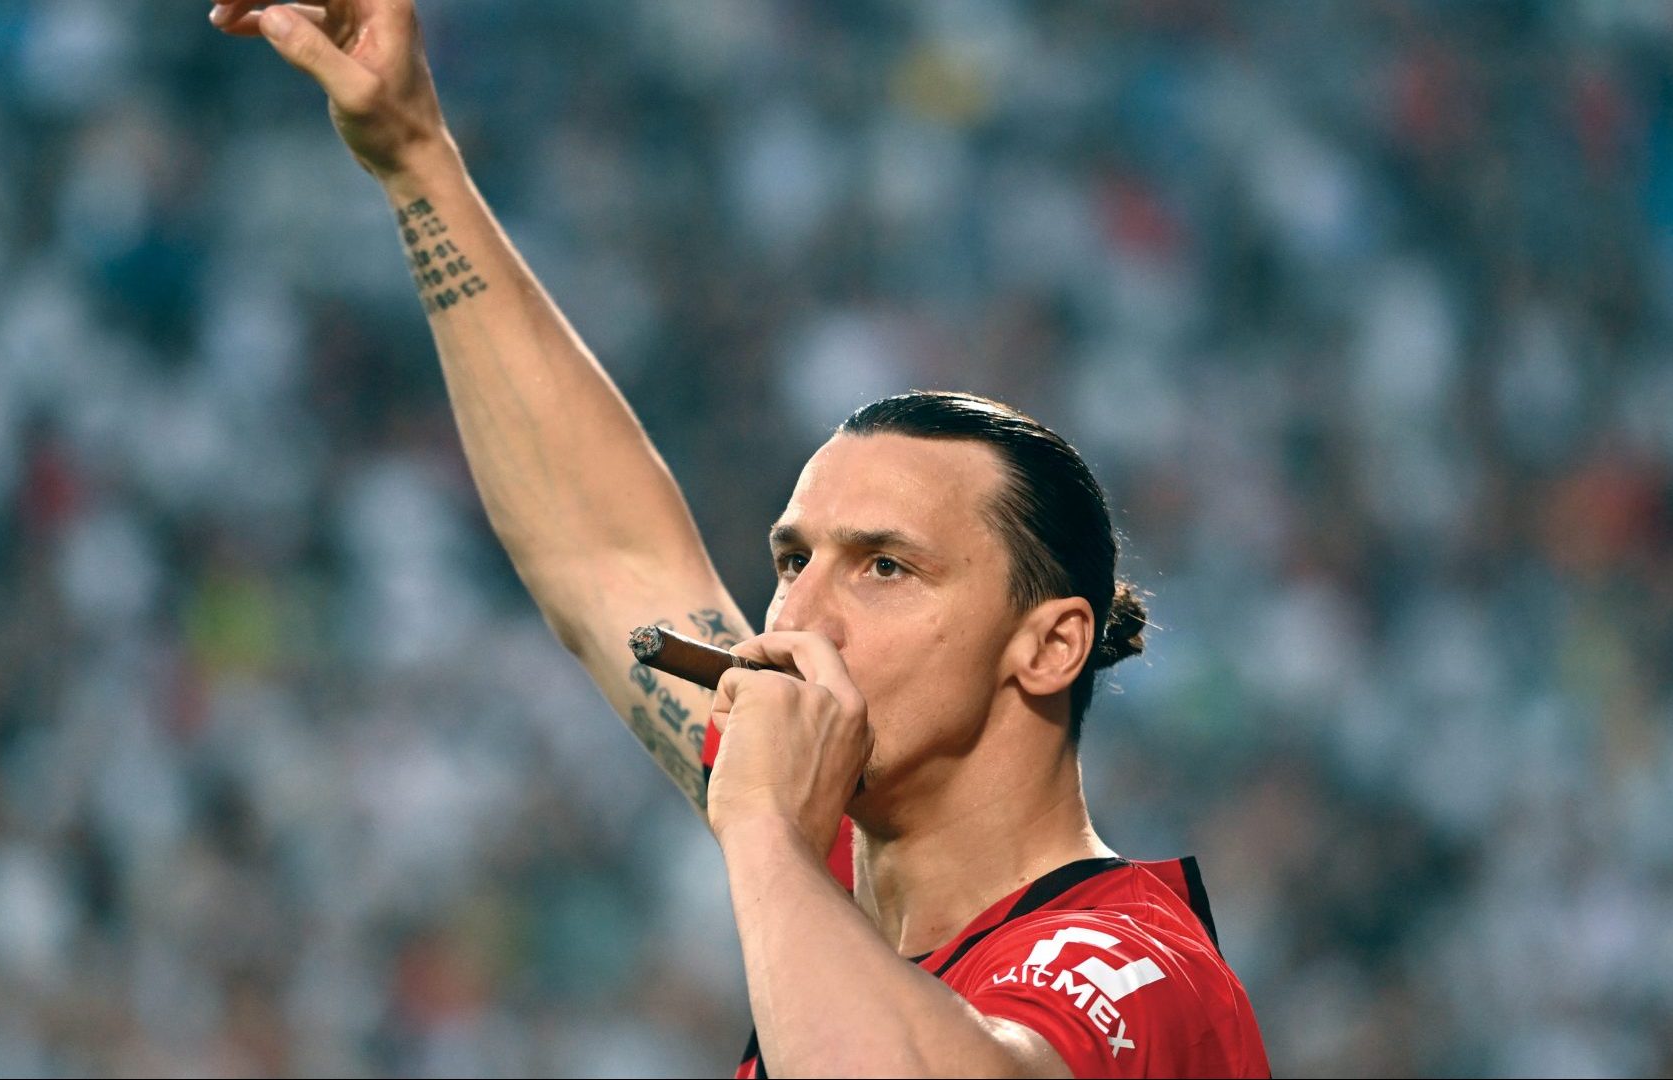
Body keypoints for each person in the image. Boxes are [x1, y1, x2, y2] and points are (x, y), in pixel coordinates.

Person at [207, 2, 1271, 1075]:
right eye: (792, 562)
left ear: (1048, 645)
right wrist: (414, 156)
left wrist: (763, 831)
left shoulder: (1132, 966)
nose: (798, 618)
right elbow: (606, 561)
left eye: (886, 567)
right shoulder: (840, 898)